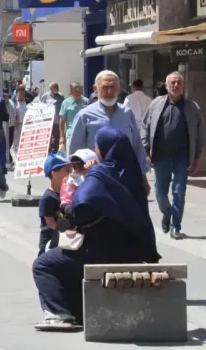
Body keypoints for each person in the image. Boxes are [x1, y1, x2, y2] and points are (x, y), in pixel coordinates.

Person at [32, 127, 160, 330]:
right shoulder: (131, 175)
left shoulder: (100, 175)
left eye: (97, 146)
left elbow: (73, 218)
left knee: (43, 264)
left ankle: (59, 314)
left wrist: (68, 198)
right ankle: (77, 312)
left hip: (100, 251)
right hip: (133, 251)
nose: (96, 150)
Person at [141, 71, 206, 240]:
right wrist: (146, 148)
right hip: (161, 158)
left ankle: (175, 226)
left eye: (178, 82)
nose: (175, 85)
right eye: (172, 82)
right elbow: (145, 127)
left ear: (182, 85)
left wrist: (197, 158)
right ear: (166, 85)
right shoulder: (156, 104)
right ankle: (168, 214)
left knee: (179, 192)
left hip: (182, 159)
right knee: (160, 194)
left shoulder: (192, 108)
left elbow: (200, 134)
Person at [68, 71, 150, 196]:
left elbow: (137, 146)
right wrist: (76, 177)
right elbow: (75, 149)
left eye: (113, 87)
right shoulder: (84, 116)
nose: (109, 91)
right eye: (105, 87)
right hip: (95, 179)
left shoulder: (127, 113)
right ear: (95, 89)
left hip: (125, 178)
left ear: (119, 89)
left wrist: (143, 177)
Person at [39, 154, 71, 256]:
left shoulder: (68, 192)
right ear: (54, 173)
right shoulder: (47, 198)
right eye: (64, 168)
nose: (68, 170)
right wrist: (69, 231)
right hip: (51, 241)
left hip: (65, 239)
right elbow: (51, 223)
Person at [58, 83, 88, 155]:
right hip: (71, 134)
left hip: (84, 135)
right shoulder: (66, 102)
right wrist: (62, 136)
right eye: (76, 91)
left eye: (80, 91)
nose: (78, 93)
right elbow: (62, 120)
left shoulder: (86, 101)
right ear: (71, 91)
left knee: (84, 157)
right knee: (71, 157)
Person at [41, 83, 65, 153]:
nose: (57, 88)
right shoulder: (45, 96)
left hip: (57, 121)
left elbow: (64, 107)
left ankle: (55, 153)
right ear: (51, 88)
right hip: (48, 121)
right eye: (55, 87)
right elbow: (41, 106)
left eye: (57, 86)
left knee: (56, 138)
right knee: (48, 138)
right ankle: (48, 152)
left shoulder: (61, 96)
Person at [3, 90, 17, 165]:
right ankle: (8, 159)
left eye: (6, 96)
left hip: (11, 126)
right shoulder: (1, 104)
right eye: (4, 96)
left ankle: (8, 157)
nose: (5, 97)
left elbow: (15, 112)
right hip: (4, 127)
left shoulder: (12, 103)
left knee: (10, 143)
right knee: (5, 143)